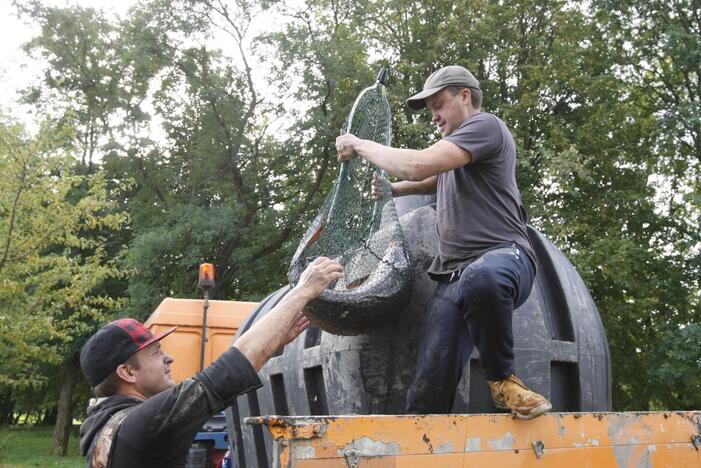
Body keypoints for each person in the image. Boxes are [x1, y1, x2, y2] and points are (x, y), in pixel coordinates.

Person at [336, 65, 551, 419]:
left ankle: (502, 380)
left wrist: (360, 144)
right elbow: (436, 179)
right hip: (453, 275)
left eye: (439, 104)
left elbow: (419, 166)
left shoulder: (484, 126)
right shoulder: (461, 149)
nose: (434, 116)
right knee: (428, 384)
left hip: (504, 257)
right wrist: (395, 189)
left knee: (483, 277)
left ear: (465, 97)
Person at [79, 257, 343, 467]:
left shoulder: (102, 428)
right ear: (127, 372)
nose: (168, 357)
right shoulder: (143, 425)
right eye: (156, 352)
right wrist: (302, 291)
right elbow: (225, 374)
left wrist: (273, 340)